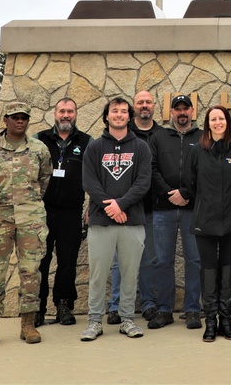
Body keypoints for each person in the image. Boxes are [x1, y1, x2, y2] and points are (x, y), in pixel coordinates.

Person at [0, 102, 52, 349]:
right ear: (5, 120)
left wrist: (28, 204)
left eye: (24, 118)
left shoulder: (39, 149)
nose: (20, 121)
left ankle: (28, 324)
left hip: (31, 220)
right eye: (15, 117)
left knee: (30, 273)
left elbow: (44, 180)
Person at [80, 97, 152, 341]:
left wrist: (121, 204)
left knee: (130, 272)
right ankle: (94, 321)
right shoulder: (95, 147)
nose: (119, 115)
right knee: (99, 273)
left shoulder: (141, 147)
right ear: (107, 116)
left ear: (129, 117)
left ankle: (127, 319)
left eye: (123, 111)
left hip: (132, 220)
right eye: (114, 111)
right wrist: (111, 206)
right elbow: (89, 181)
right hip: (102, 221)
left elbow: (144, 182)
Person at [186, 105, 231, 342]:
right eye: (213, 119)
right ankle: (210, 321)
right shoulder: (197, 151)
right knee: (208, 270)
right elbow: (190, 183)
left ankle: (226, 319)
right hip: (205, 219)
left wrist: (229, 202)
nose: (217, 123)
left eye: (221, 118)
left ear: (227, 122)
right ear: (208, 123)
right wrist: (207, 203)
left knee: (227, 269)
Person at [148, 95, 202, 330]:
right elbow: (151, 169)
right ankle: (164, 309)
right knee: (162, 261)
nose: (182, 113)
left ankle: (192, 310)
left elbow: (205, 171)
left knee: (195, 260)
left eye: (185, 109)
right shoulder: (158, 137)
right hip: (163, 209)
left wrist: (186, 193)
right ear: (171, 112)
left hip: (193, 209)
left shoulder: (202, 137)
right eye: (177, 109)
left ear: (192, 111)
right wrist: (170, 193)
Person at [36, 98, 91, 327]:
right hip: (42, 211)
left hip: (71, 212)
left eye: (70, 111)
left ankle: (64, 306)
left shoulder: (86, 142)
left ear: (76, 114)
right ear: (55, 114)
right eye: (62, 111)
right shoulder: (39, 140)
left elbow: (95, 177)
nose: (66, 115)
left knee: (68, 261)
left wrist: (91, 207)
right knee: (40, 260)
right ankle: (37, 309)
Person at [107, 90, 160, 324]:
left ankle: (148, 303)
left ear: (154, 106)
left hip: (150, 208)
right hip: (121, 210)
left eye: (148, 102)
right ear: (133, 110)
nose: (144, 105)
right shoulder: (121, 137)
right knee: (119, 262)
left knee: (148, 260)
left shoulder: (162, 134)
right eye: (140, 102)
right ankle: (116, 305)